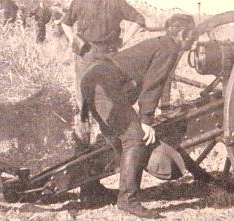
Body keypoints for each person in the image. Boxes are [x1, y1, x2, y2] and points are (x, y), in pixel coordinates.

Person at [60, 0, 160, 201]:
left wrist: (124, 42)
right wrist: (75, 42)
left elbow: (139, 20)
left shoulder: (116, 1)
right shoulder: (79, 2)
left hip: (111, 60)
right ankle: (88, 186)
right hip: (86, 59)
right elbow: (64, 24)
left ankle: (103, 179)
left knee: (113, 116)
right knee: (84, 117)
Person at [79, 14, 196, 218]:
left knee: (115, 138)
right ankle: (128, 200)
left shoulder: (159, 43)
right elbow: (153, 85)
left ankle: (90, 190)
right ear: (184, 34)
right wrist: (146, 121)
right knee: (134, 138)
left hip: (93, 78)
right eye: (192, 37)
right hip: (103, 84)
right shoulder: (170, 48)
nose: (193, 42)